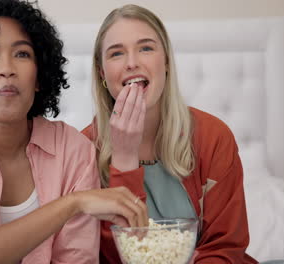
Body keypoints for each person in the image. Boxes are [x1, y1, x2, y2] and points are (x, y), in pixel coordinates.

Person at [0, 1, 148, 263]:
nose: (7, 69)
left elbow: (76, 260)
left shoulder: (73, 148)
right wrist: (72, 203)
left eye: (22, 54)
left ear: (38, 77)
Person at [81, 4, 258, 264]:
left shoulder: (213, 137)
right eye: (117, 53)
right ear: (102, 72)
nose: (132, 63)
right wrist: (124, 158)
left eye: (146, 48)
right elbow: (113, 258)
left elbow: (225, 248)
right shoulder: (83, 149)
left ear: (165, 61)